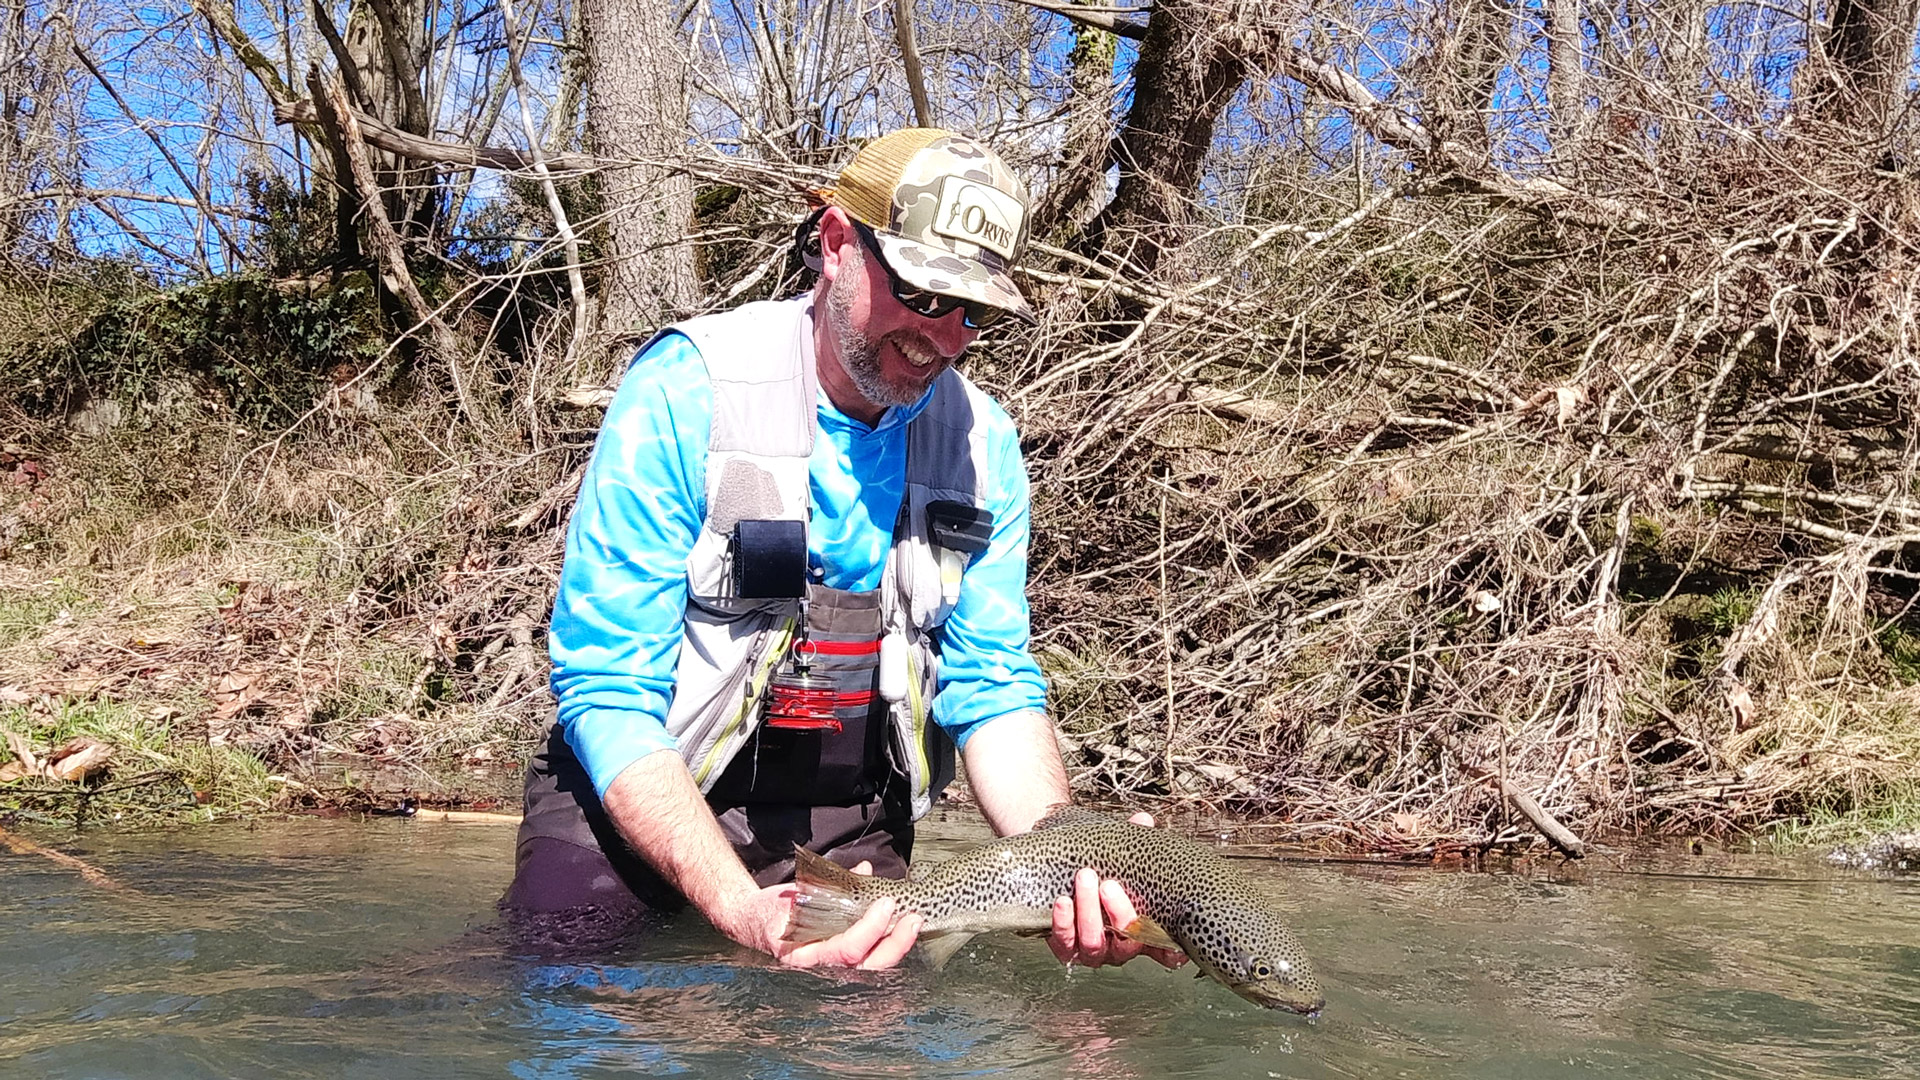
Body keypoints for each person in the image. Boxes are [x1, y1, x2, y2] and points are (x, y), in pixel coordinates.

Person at [505, 128, 1183, 974]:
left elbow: (991, 683)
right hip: (635, 804)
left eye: (975, 311)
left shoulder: (982, 448)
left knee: (868, 1047)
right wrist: (737, 904)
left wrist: (1069, 855)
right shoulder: (688, 390)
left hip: (844, 829)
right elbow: (606, 691)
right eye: (925, 295)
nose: (947, 337)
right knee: (571, 1003)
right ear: (836, 246)